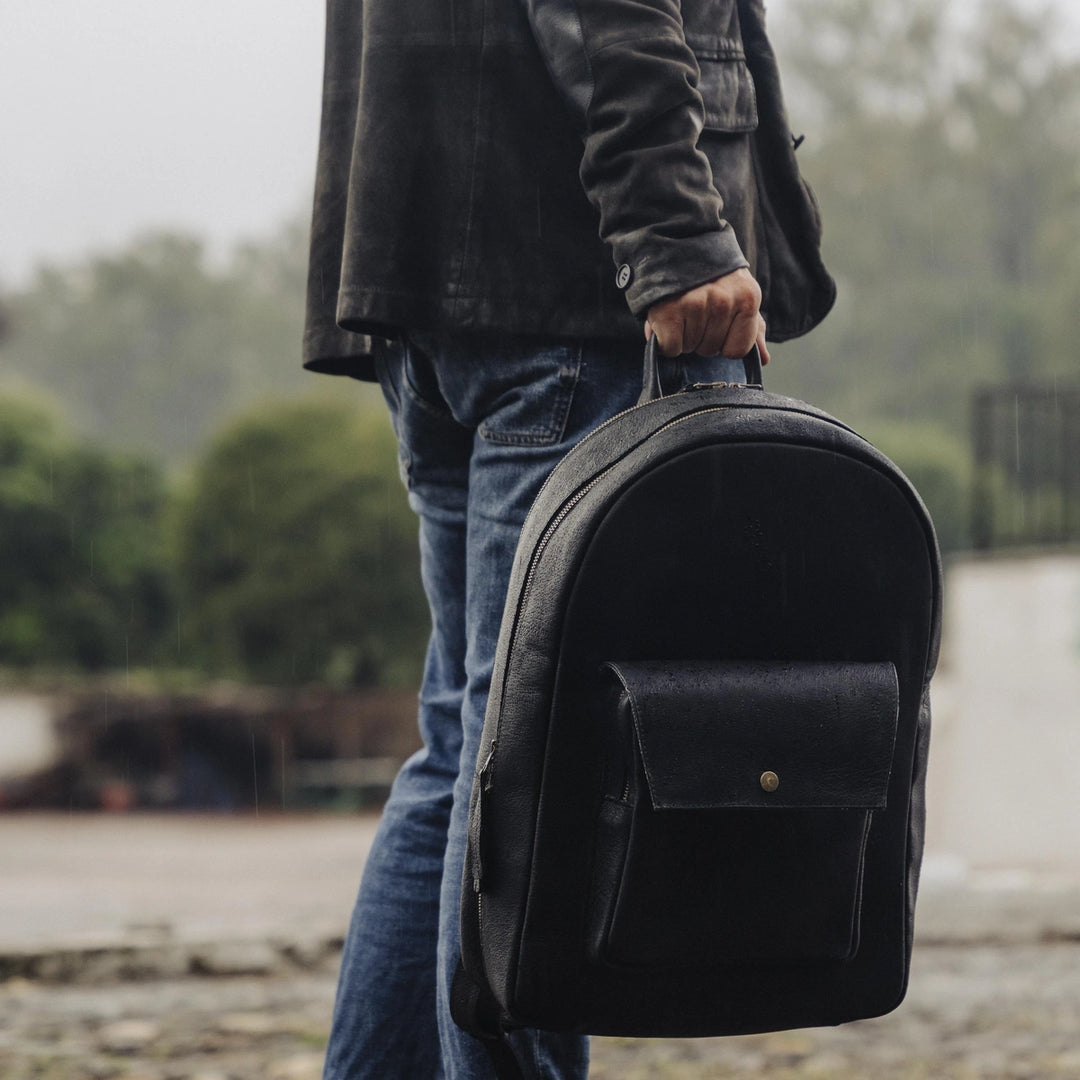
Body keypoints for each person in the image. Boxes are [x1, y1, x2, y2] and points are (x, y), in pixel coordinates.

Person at [302, 0, 835, 1076]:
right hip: (568, 286)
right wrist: (678, 237)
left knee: (467, 750)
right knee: (528, 765)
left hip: (435, 287)